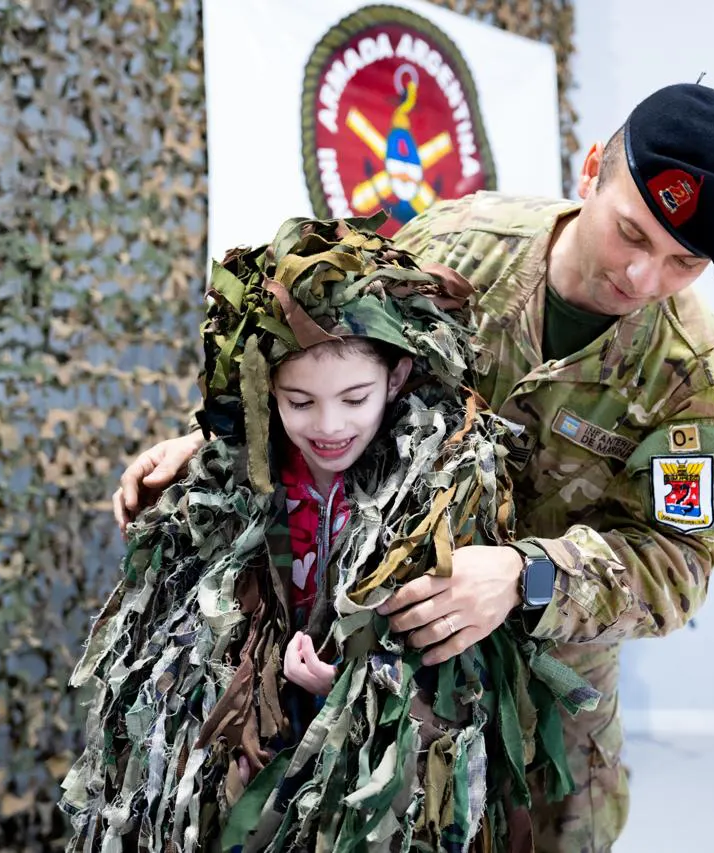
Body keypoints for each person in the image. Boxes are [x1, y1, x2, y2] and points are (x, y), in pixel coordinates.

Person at [113, 82, 714, 851]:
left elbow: (674, 563)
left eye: (683, 262)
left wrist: (528, 577)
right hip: (388, 654)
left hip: (549, 693)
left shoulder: (696, 378)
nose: (644, 278)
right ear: (591, 170)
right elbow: (326, 358)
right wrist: (212, 441)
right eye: (631, 233)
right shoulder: (462, 246)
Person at [61, 216, 596, 852]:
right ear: (266, 393)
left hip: (367, 787)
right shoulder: (232, 483)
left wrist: (349, 684)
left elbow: (455, 686)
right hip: (243, 768)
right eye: (299, 402)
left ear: (396, 379)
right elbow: (177, 647)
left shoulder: (438, 490)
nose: (330, 424)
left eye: (355, 397)